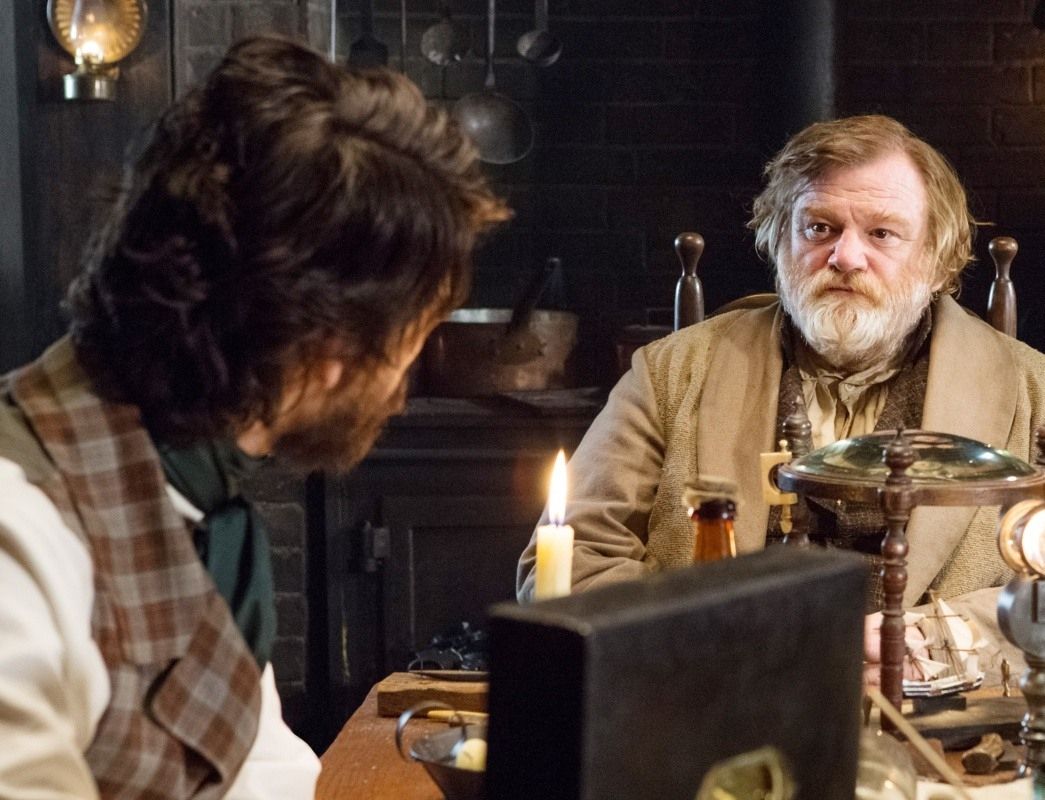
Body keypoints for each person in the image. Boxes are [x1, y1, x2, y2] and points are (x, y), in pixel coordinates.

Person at [0, 35, 507, 799]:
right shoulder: (20, 527)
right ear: (325, 345)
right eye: (412, 336)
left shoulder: (199, 489)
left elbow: (258, 771)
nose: (402, 386)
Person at [517, 114, 1045, 684]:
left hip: (948, 719)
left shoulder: (1031, 388)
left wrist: (926, 640)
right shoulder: (671, 372)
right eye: (819, 228)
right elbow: (572, 562)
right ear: (777, 240)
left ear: (937, 260)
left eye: (882, 234)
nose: (846, 257)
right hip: (717, 707)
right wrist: (734, 640)